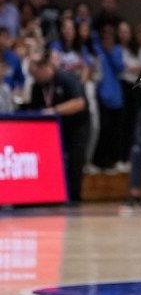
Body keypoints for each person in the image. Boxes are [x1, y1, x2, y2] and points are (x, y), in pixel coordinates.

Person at [22, 52, 89, 203]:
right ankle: (52, 196)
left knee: (75, 160)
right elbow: (35, 109)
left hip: (76, 126)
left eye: (35, 73)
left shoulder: (65, 78)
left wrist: (55, 111)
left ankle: (74, 198)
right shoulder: (36, 87)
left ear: (45, 67)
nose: (34, 78)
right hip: (53, 130)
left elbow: (79, 103)